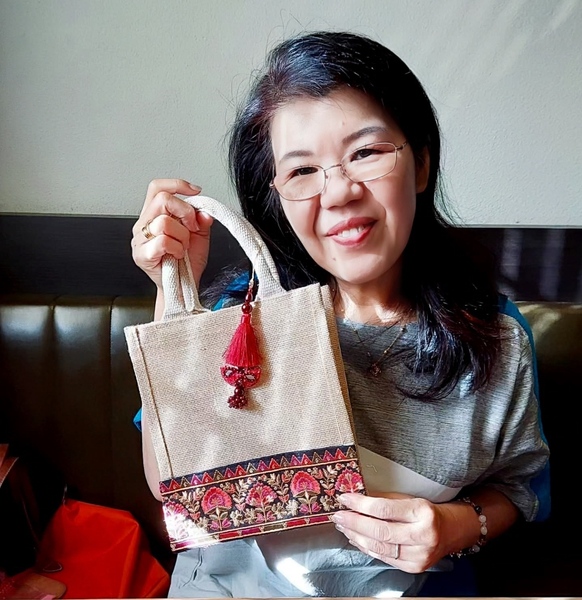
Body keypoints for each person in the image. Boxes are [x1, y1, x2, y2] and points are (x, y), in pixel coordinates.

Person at [130, 31, 549, 597]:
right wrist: (172, 291)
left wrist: (456, 526)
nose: (338, 192)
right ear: (277, 197)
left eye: (366, 153)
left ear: (421, 165)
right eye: (302, 171)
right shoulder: (242, 324)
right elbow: (171, 485)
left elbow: (521, 486)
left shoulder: (496, 340)